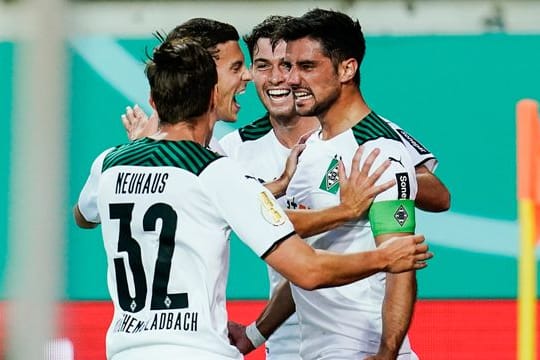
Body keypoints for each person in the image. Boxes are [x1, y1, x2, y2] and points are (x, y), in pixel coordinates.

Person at [73, 37, 432, 360]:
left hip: (123, 349)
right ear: (212, 96)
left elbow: (83, 215)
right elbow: (308, 270)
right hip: (197, 351)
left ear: (153, 101)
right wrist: (384, 255)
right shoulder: (217, 171)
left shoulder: (108, 164)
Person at [221, 15, 450, 360]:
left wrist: (387, 352)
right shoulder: (308, 149)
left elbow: (399, 264)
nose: (291, 78)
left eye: (306, 66)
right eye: (287, 65)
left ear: (346, 70)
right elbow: (305, 263)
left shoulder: (377, 150)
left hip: (359, 348)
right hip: (306, 348)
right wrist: (255, 334)